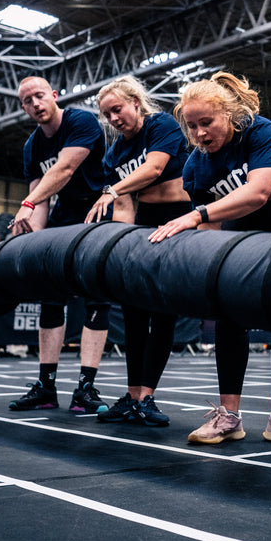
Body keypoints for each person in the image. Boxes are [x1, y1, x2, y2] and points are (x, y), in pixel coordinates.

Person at [149, 71, 271, 448]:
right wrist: (205, 274)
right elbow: (209, 236)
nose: (199, 134)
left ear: (228, 115)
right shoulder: (196, 167)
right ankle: (228, 416)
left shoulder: (260, 132)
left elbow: (259, 193)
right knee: (227, 306)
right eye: (192, 126)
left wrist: (195, 216)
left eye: (207, 122)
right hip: (241, 219)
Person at [84, 75, 192, 429]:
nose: (114, 119)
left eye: (117, 109)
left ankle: (147, 396)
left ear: (135, 102)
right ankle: (132, 396)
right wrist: (120, 245)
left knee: (162, 313)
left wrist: (110, 191)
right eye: (106, 115)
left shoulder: (161, 124)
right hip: (142, 224)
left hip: (177, 221)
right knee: (132, 312)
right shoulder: (115, 152)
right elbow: (126, 206)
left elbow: (156, 168)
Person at [8, 75, 110, 416]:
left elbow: (65, 169)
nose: (35, 104)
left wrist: (26, 202)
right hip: (63, 222)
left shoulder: (80, 120)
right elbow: (41, 203)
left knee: (97, 298)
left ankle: (85, 387)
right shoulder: (32, 146)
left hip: (98, 216)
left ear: (53, 96)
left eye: (39, 96)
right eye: (27, 101)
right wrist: (32, 239)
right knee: (50, 299)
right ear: (23, 108)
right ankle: (46, 386)